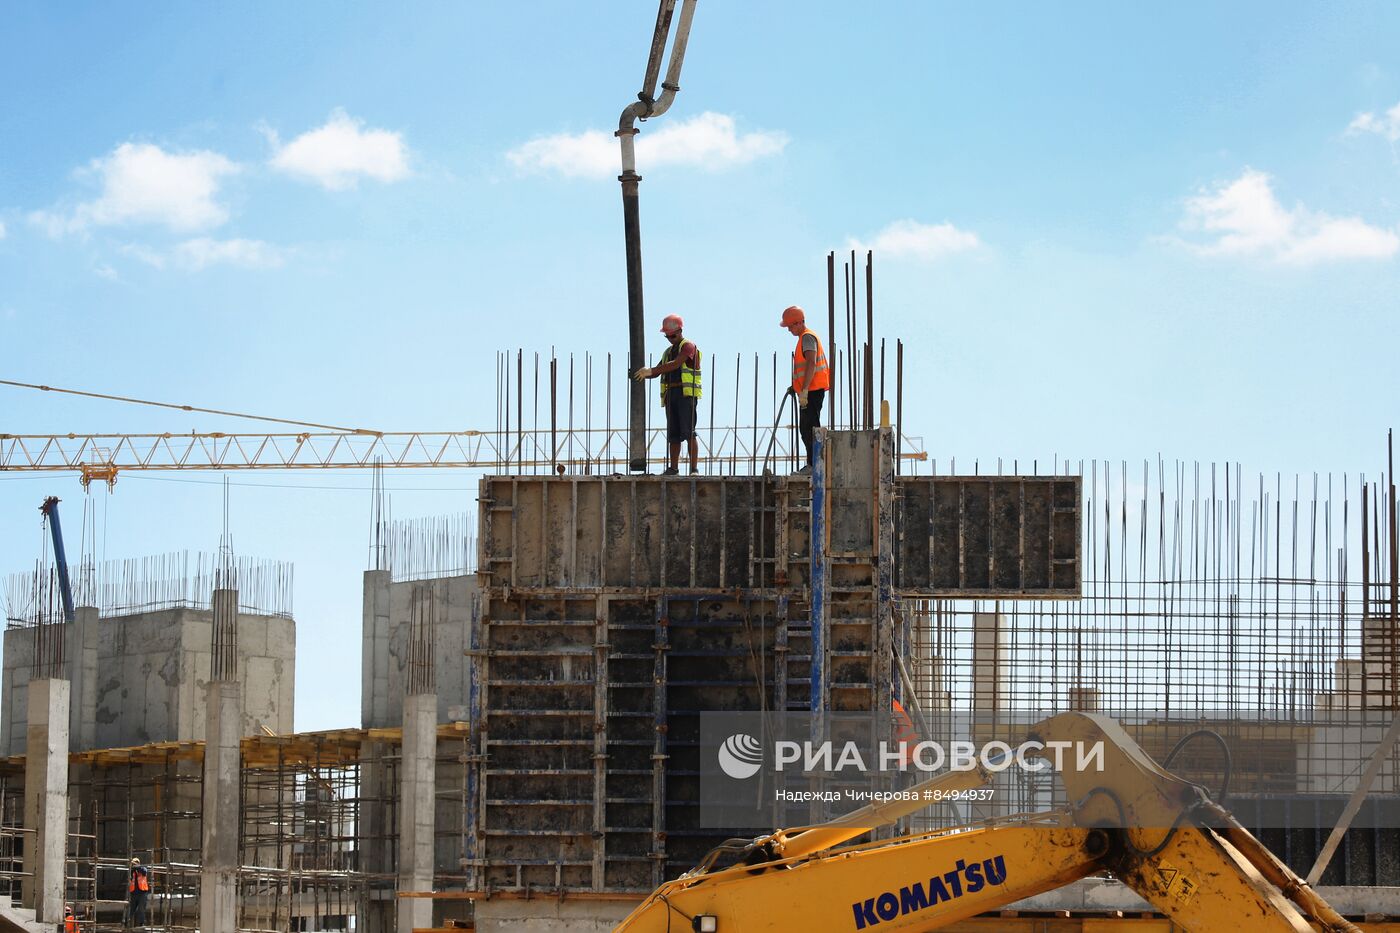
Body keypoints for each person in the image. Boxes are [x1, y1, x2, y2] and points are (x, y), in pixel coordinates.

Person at [632, 313, 702, 475]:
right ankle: (673, 468)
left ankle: (694, 469)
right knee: (673, 434)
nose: (670, 339)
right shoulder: (667, 352)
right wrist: (643, 373)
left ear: (680, 331)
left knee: (689, 432)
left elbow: (675, 364)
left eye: (672, 336)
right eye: (667, 336)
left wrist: (651, 370)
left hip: (686, 395)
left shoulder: (688, 346)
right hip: (671, 396)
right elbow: (658, 371)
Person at [780, 305, 830, 473]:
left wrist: (805, 390)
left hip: (812, 391)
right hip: (809, 391)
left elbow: (811, 363)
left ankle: (815, 465)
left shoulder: (807, 337)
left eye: (790, 326)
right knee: (806, 428)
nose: (789, 330)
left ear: (798, 323)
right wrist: (797, 387)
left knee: (810, 428)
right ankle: (812, 463)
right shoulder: (804, 338)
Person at [127, 856, 149, 927]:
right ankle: (126, 923)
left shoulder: (143, 869)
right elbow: (130, 878)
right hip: (134, 893)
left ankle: (141, 923)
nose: (133, 865)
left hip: (142, 893)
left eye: (135, 863)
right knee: (131, 909)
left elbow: (144, 871)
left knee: (141, 909)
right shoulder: (132, 871)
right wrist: (132, 868)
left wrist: (137, 867)